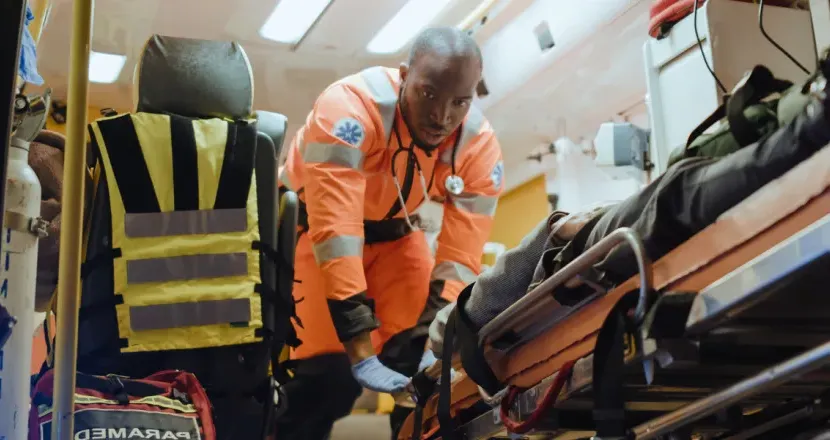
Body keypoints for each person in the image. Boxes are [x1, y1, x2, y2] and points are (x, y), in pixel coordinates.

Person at [427, 67, 830, 396]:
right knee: (673, 196)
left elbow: (484, 295)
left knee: (685, 177)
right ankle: (812, 126)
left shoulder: (463, 327)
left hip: (580, 254)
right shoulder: (454, 333)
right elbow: (474, 308)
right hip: (578, 260)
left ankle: (805, 110)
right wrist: (556, 229)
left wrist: (560, 229)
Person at [276, 27, 505, 439]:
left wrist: (439, 341)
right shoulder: (346, 110)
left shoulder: (478, 146)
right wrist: (359, 351)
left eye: (460, 102)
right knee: (326, 379)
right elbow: (337, 231)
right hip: (315, 233)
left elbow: (459, 259)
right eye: (429, 93)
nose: (442, 116)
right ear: (404, 76)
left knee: (427, 364)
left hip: (398, 237)